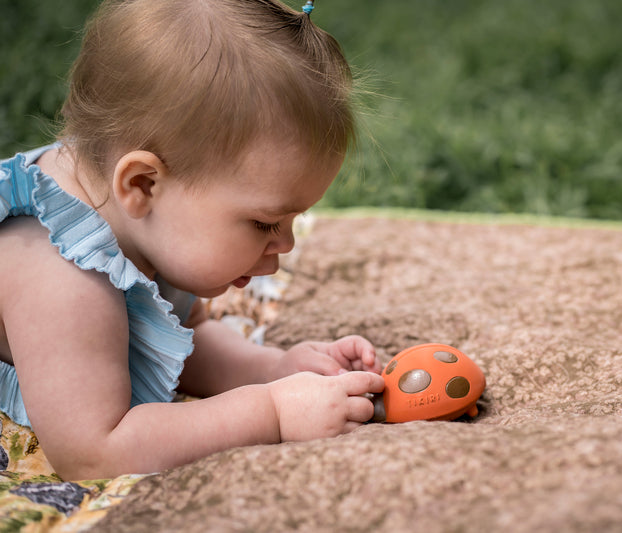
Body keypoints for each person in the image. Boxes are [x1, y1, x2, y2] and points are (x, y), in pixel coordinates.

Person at [0, 0, 384, 481]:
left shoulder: (154, 226)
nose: (285, 245)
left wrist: (272, 369)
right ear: (142, 185)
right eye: (265, 224)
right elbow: (95, 450)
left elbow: (183, 336)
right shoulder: (61, 278)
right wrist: (271, 411)